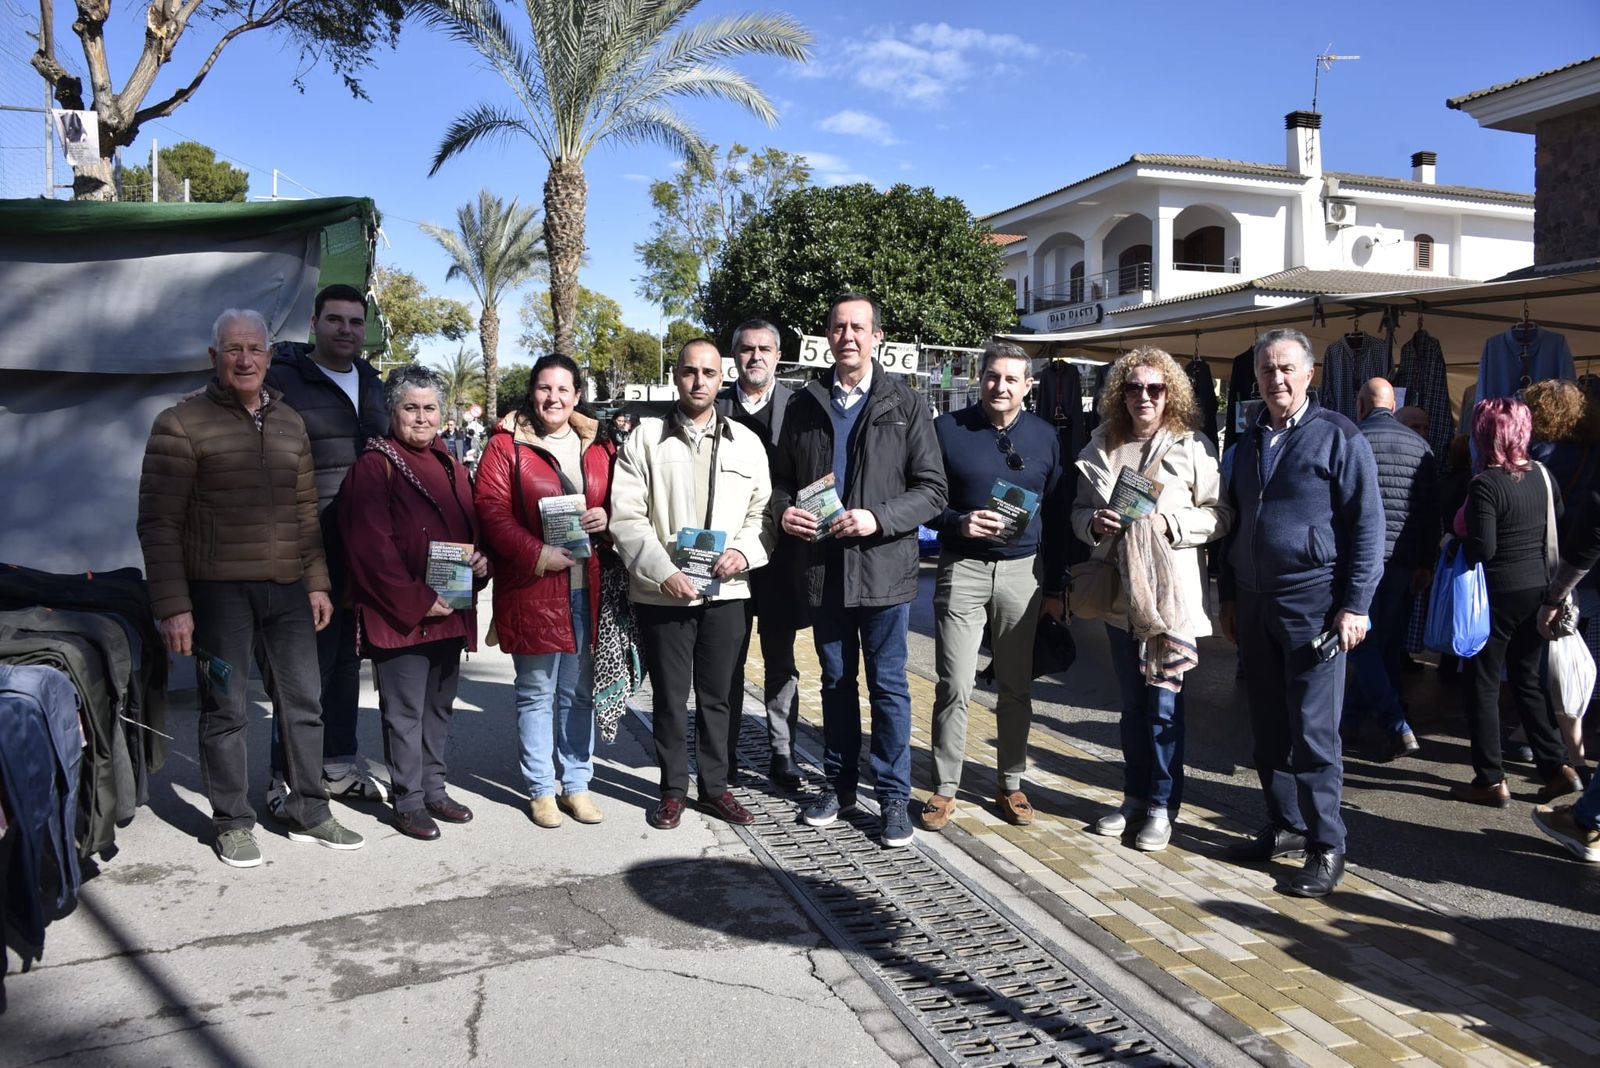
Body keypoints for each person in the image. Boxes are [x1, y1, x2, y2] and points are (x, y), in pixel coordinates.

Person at [138, 308, 364, 867]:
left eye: (255, 349)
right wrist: (173, 606)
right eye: (233, 349)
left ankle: (309, 809)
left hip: (288, 590)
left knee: (304, 704)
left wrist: (316, 582)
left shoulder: (289, 423)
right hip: (217, 595)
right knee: (226, 708)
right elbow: (158, 522)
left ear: (269, 355)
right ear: (214, 357)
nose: (245, 359)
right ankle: (232, 821)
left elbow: (305, 510)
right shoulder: (181, 423)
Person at [771, 294, 948, 848]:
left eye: (858, 327)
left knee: (890, 687)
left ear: (876, 338)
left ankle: (893, 797)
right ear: (827, 335)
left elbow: (933, 490)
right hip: (824, 570)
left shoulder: (905, 402)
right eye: (838, 326)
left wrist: (879, 518)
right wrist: (785, 513)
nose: (848, 336)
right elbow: (777, 483)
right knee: (836, 682)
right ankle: (839, 784)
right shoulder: (804, 403)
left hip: (885, 571)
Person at [1219, 327, 1381, 898]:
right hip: (1256, 601)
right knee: (1266, 728)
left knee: (1314, 733)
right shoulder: (1245, 439)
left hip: (1314, 603)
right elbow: (1234, 522)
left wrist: (1355, 604)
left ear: (1310, 374)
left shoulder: (1339, 435)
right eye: (1266, 370)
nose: (1276, 379)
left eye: (1287, 368)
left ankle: (1326, 843)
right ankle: (1285, 826)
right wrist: (1230, 597)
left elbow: (1367, 527)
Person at [610, 339, 773, 830]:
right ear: (676, 377)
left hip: (729, 592)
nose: (698, 381)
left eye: (707, 372)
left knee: (718, 695)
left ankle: (716, 788)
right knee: (669, 695)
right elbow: (627, 517)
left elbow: (761, 512)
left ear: (721, 378)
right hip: (665, 591)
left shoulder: (747, 442)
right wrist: (666, 573)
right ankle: (673, 789)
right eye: (688, 372)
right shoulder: (644, 440)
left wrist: (743, 552)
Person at [1075, 347, 1232, 851]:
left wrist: (1172, 523)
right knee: (1131, 708)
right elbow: (1077, 513)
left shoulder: (1192, 446)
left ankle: (1163, 807)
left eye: (1155, 388)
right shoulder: (1101, 444)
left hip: (1169, 603)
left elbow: (1220, 515)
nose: (1144, 396)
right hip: (1120, 600)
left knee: (1164, 708)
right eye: (1134, 387)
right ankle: (1134, 799)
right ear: (1120, 392)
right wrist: (1091, 525)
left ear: (1171, 395)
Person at [922, 341, 1068, 832]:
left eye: (1012, 379)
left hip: (1021, 574)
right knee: (955, 684)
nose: (1000, 386)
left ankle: (1011, 783)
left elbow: (1057, 510)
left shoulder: (1046, 437)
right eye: (992, 376)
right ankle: (944, 789)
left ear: (1029, 385)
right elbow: (926, 499)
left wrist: (1057, 586)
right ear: (979, 379)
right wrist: (958, 522)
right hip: (961, 567)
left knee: (1015, 686)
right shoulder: (947, 430)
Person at [338, 365, 489, 841]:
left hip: (450, 608)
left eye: (429, 408)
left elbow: (467, 529)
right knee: (404, 713)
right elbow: (370, 549)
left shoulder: (448, 462)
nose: (421, 418)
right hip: (402, 614)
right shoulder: (374, 465)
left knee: (439, 707)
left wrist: (480, 563)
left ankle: (434, 788)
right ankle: (407, 801)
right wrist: (420, 601)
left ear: (442, 414)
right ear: (391, 411)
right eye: (411, 408)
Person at [264, 284, 391, 817]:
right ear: (314, 324)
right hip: (306, 548)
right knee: (302, 669)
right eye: (335, 319)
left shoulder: (372, 383)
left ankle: (337, 765)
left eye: (355, 322)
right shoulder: (283, 380)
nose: (346, 329)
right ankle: (287, 778)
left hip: (361, 553)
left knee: (344, 664)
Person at [475, 355, 613, 829]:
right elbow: (491, 513)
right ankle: (540, 789)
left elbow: (616, 500)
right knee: (536, 692)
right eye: (544, 388)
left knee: (579, 694)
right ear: (531, 391)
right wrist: (537, 554)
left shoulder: (596, 445)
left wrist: (605, 519)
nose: (553, 398)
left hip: (585, 589)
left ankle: (577, 783)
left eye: (563, 389)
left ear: (577, 395)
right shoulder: (505, 446)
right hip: (535, 585)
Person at [1450, 398, 1578, 805]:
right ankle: (1557, 767)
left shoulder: (1485, 483)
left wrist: (1455, 541)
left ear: (1485, 433)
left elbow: (1484, 549)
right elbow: (1558, 521)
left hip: (1497, 596)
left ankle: (1490, 778)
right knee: (1527, 680)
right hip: (1539, 590)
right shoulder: (1542, 474)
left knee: (1482, 684)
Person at [715, 318, 805, 789]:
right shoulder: (714, 405)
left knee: (781, 660)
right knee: (725, 660)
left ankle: (782, 754)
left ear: (778, 355)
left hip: (782, 559)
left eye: (765, 349)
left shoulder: (801, 407)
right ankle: (721, 754)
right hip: (725, 558)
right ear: (735, 356)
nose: (756, 357)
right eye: (747, 348)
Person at [1345, 378, 1437, 760]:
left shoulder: (1351, 439)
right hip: (1402, 561)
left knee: (1362, 643)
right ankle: (1358, 719)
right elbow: (1431, 513)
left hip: (1360, 560)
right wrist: (1425, 562)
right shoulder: (1421, 446)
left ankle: (1391, 721)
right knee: (1385, 644)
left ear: (1362, 405)